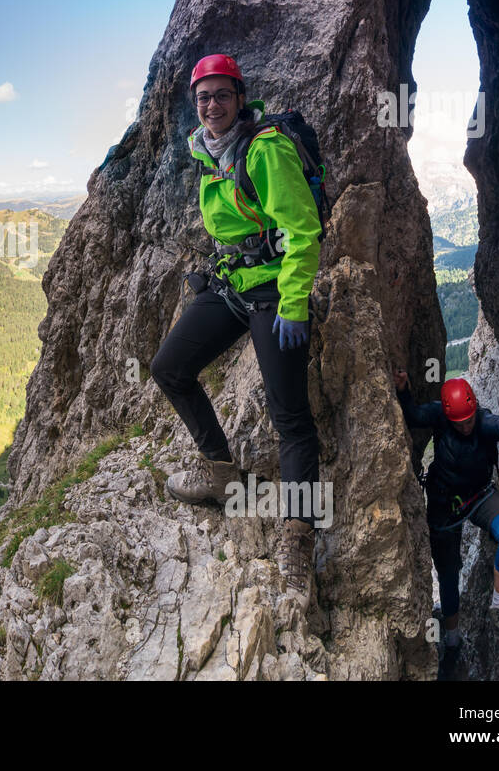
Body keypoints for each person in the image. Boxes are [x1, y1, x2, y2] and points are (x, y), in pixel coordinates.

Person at [150, 53, 324, 596]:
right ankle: (222, 472)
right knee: (169, 368)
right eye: (203, 97)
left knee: (290, 416)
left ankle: (298, 535)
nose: (211, 104)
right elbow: (235, 227)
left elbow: (303, 230)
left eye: (222, 94)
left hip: (275, 290)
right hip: (234, 284)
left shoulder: (264, 150)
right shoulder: (210, 155)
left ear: (240, 97)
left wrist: (295, 303)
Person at [392, 369, 499, 673]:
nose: (468, 426)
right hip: (445, 505)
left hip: (480, 495)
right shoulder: (439, 416)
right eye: (461, 422)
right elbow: (414, 416)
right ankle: (452, 640)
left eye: (469, 419)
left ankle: (498, 607)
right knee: (447, 573)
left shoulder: (482, 421)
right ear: (448, 417)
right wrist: (403, 389)